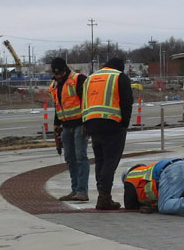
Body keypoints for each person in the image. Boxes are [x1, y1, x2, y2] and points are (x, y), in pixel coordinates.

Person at [82, 57, 134, 210]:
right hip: (112, 124)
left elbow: (84, 101)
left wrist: (86, 124)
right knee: (110, 161)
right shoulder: (119, 77)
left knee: (100, 160)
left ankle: (102, 193)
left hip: (91, 123)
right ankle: (104, 196)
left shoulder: (90, 78)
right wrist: (124, 124)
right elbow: (127, 103)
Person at [48, 57, 89, 202]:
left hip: (80, 124)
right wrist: (56, 126)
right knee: (70, 158)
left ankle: (82, 191)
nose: (59, 76)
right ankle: (75, 189)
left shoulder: (78, 80)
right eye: (56, 74)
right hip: (66, 126)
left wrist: (87, 123)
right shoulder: (54, 85)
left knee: (80, 157)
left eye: (61, 73)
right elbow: (58, 106)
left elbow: (86, 102)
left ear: (65, 70)